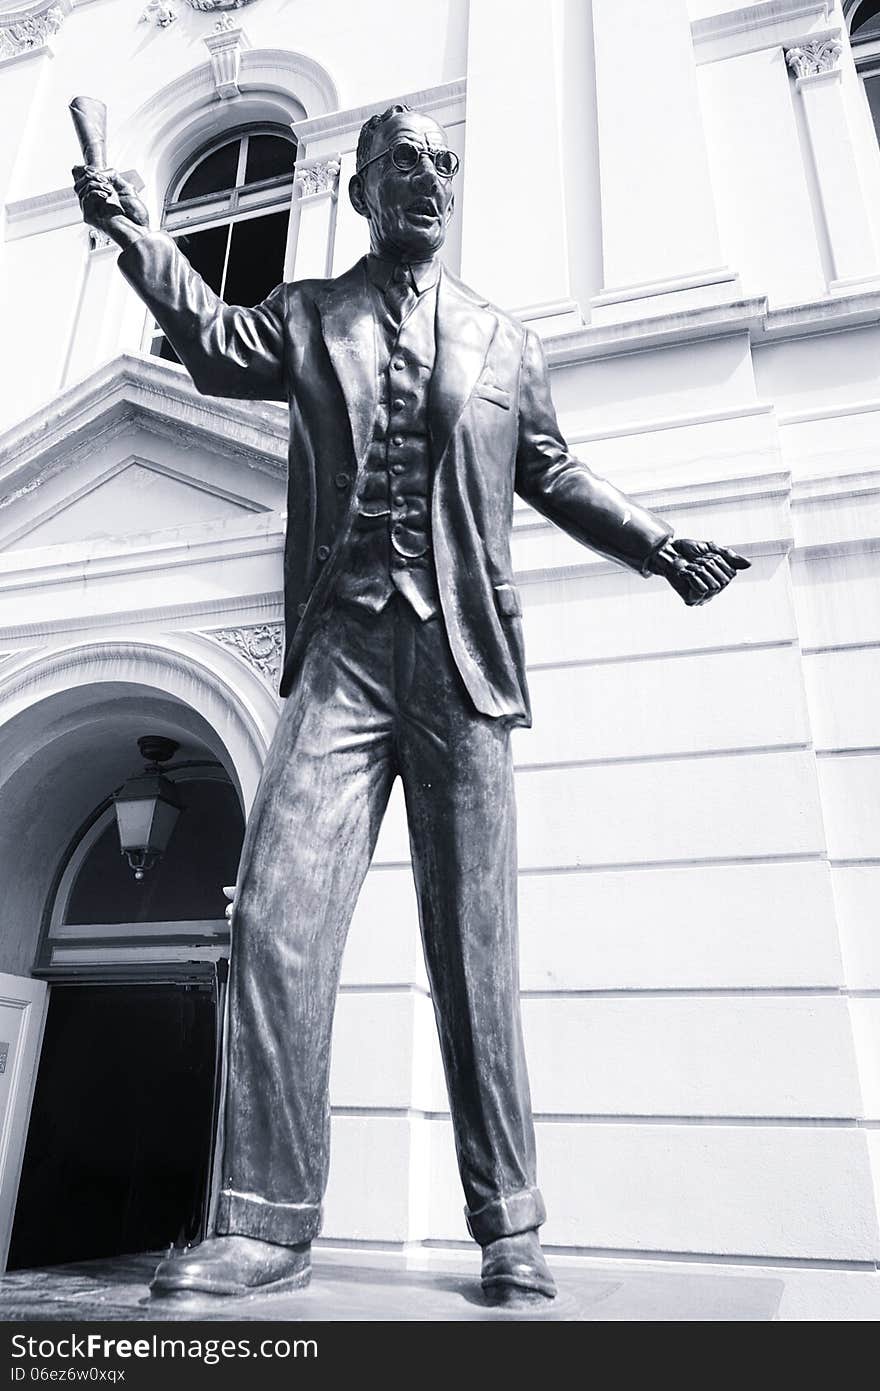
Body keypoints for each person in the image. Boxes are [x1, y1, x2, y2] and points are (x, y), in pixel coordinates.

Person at [74, 103, 748, 1306]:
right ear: (363, 193)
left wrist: (655, 542)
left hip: (461, 661)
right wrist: (135, 229)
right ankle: (267, 1222)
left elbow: (552, 469)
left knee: (473, 949)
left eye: (441, 166)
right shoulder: (306, 314)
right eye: (400, 167)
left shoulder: (501, 339)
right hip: (343, 648)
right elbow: (218, 339)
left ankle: (509, 1223)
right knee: (277, 918)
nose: (425, 182)